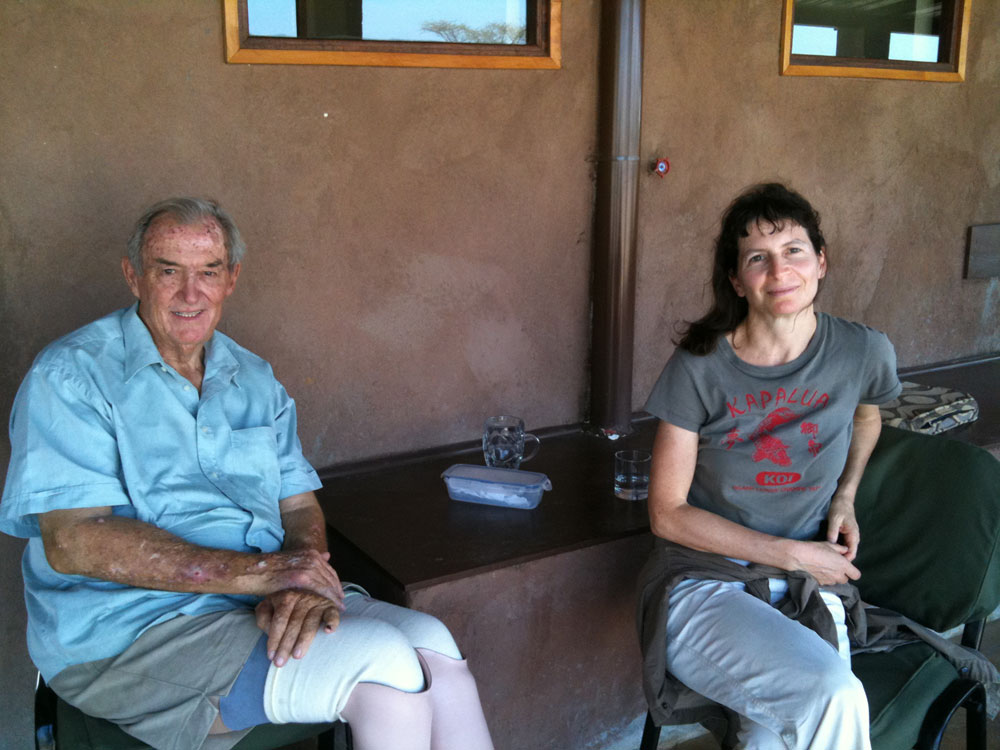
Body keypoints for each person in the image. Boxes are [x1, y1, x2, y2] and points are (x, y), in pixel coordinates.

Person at [0, 197, 495, 750]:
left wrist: (297, 579)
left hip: (251, 600)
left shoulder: (253, 378)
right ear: (133, 275)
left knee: (435, 648)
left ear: (230, 278)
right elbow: (73, 539)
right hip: (126, 630)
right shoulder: (71, 375)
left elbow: (299, 506)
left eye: (208, 271)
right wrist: (265, 574)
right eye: (169, 271)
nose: (192, 293)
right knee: (383, 664)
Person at [636, 183, 902, 749]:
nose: (779, 269)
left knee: (780, 734)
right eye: (758, 257)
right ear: (737, 279)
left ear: (821, 261)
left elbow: (865, 417)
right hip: (706, 581)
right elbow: (667, 513)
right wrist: (795, 555)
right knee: (834, 697)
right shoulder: (700, 366)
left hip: (809, 579)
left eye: (794, 250)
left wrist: (845, 495)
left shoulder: (862, 351)